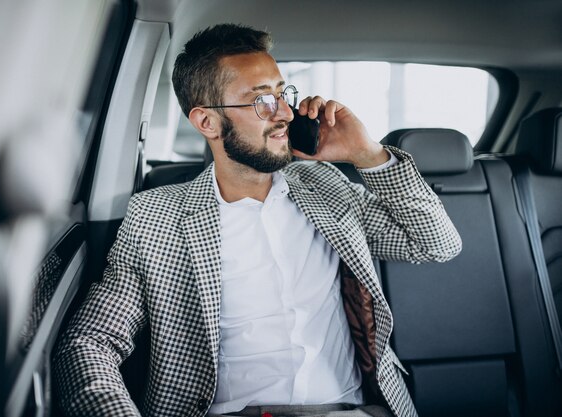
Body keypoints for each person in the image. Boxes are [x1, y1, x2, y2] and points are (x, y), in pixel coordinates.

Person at [54, 23, 461, 417]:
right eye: (262, 100)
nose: (284, 113)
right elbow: (89, 343)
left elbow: (436, 244)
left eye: (284, 95)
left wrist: (369, 155)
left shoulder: (324, 185)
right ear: (206, 121)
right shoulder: (157, 216)